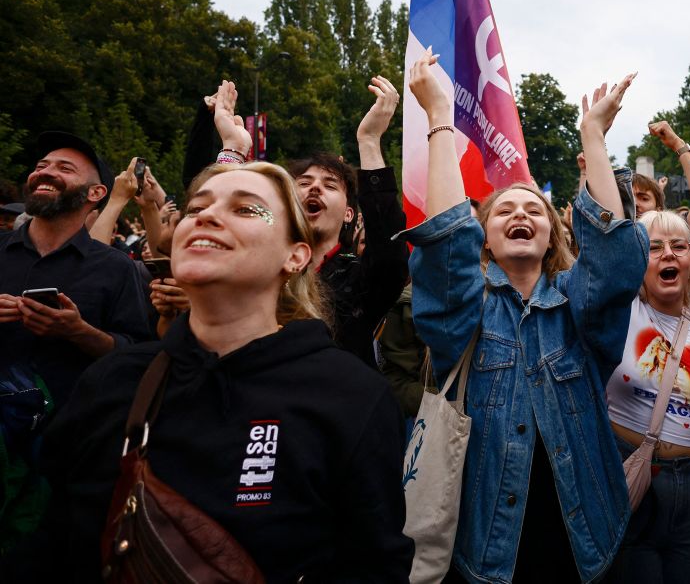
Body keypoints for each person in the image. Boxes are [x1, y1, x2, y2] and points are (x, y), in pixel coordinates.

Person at [33, 161, 413, 581]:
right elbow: (53, 543)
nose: (207, 216)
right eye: (196, 209)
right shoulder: (114, 381)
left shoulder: (351, 396)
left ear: (295, 255)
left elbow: (375, 566)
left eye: (247, 209)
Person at [403, 48, 648, 583]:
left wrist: (594, 138)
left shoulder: (577, 310)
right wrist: (440, 119)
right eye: (504, 211)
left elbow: (611, 259)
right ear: (483, 241)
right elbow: (445, 249)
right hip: (488, 553)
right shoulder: (466, 315)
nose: (520, 213)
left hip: (588, 546)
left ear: (554, 235)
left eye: (534, 209)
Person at [209, 78, 408, 366]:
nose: (315, 188)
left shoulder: (359, 279)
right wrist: (233, 148)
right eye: (304, 182)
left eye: (329, 185)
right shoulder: (262, 264)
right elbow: (215, 227)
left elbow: (391, 256)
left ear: (349, 213)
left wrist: (369, 140)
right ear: (288, 201)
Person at [604, 209, 690, 583]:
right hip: (627, 476)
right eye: (654, 247)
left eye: (679, 246)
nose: (668, 254)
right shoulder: (617, 313)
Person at [0, 132, 152, 409]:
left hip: (72, 433)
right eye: (40, 166)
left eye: (64, 168)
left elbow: (136, 353)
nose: (45, 172)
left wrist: (78, 331)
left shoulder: (116, 267)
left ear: (95, 193)